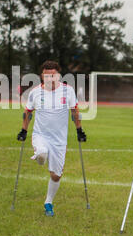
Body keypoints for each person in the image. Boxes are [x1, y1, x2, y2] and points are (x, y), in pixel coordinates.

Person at [16, 61, 86, 217]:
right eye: (47, 75)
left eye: (53, 75)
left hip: (59, 140)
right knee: (42, 152)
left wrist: (79, 130)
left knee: (56, 175)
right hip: (40, 134)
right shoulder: (35, 92)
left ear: (58, 75)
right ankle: (41, 155)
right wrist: (23, 130)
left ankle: (48, 202)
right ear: (42, 76)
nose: (50, 78)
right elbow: (28, 112)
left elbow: (75, 111)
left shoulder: (68, 91)